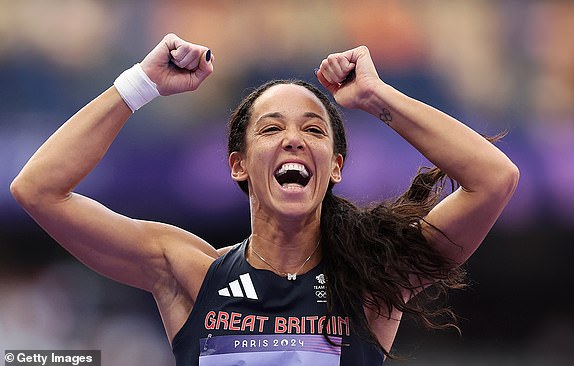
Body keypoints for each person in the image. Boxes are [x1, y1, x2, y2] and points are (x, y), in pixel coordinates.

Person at [11, 33, 519, 365]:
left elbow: (493, 179)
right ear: (239, 165)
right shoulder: (188, 273)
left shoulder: (372, 280)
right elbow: (37, 189)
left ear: (336, 166)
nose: (293, 140)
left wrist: (376, 97)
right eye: (271, 128)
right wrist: (140, 85)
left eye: (314, 130)